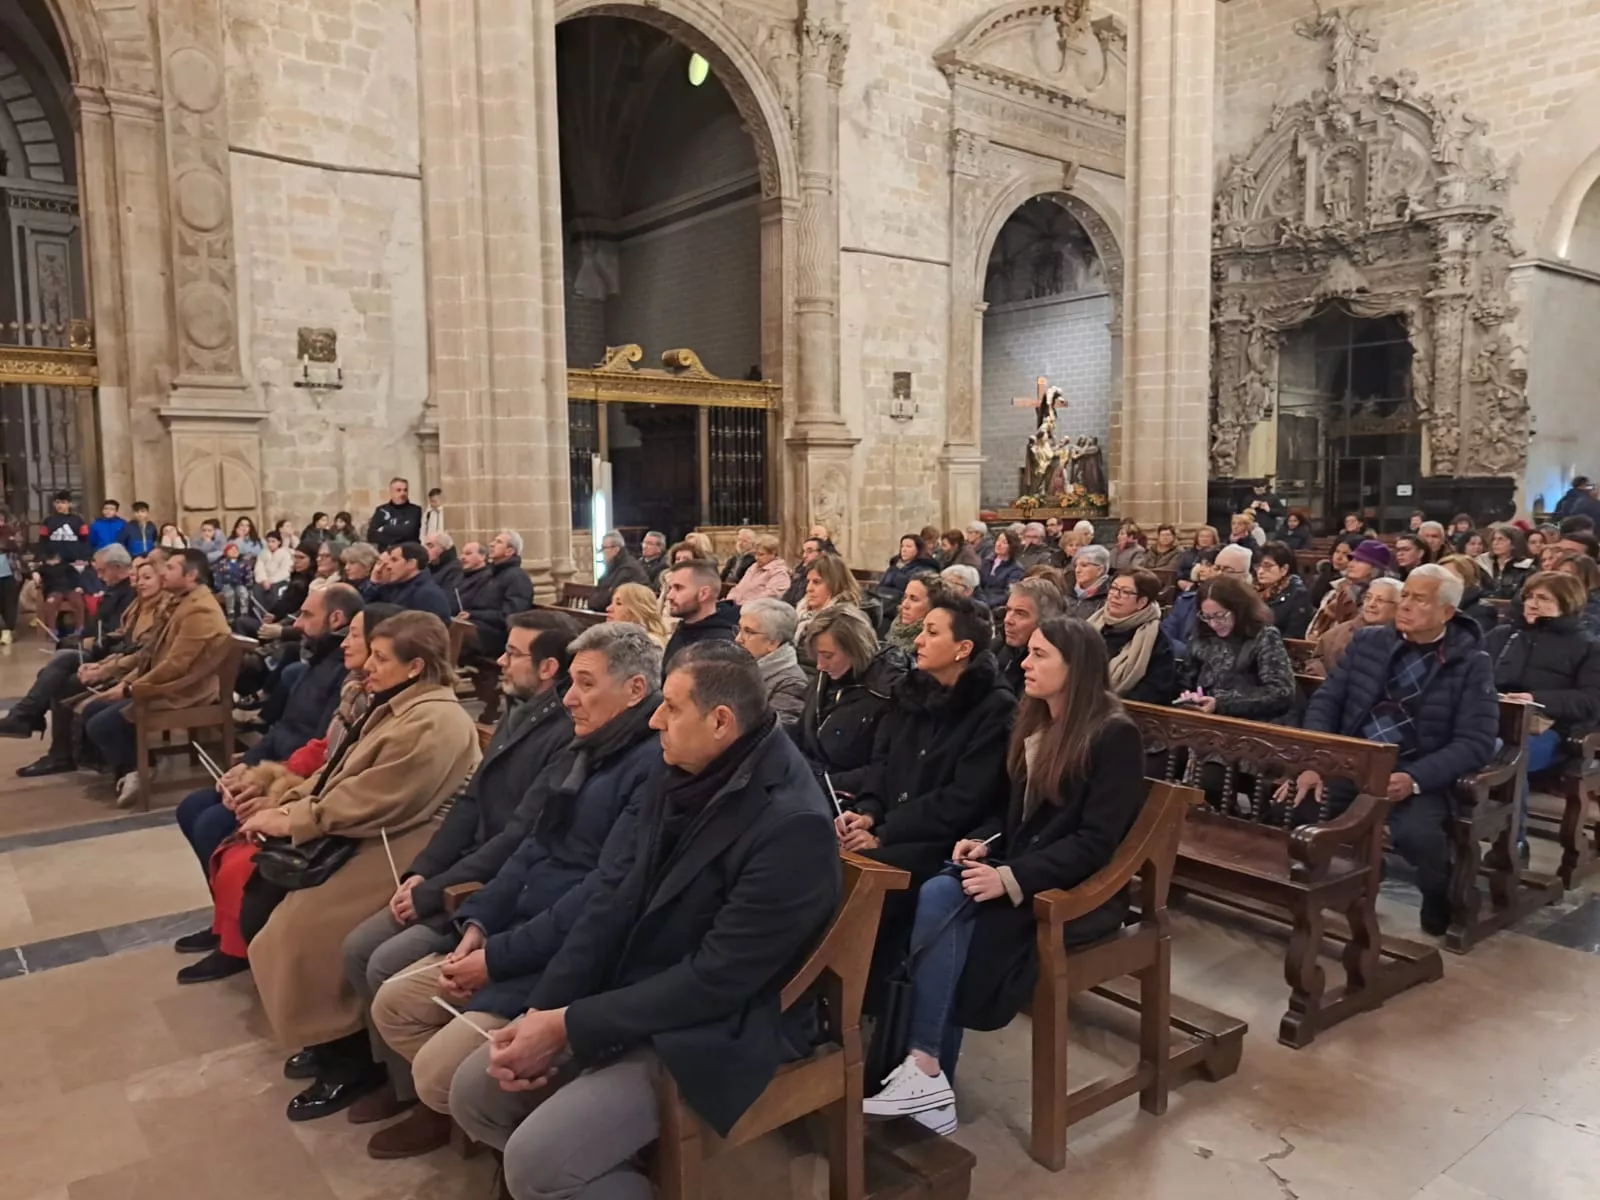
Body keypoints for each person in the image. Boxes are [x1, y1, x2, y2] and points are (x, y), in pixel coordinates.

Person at [446, 642, 840, 1200]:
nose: (655, 717)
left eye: (672, 707)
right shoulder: (680, 763)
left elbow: (716, 981)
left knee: (538, 1163)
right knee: (474, 1092)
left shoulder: (790, 823)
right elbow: (609, 894)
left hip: (712, 1026)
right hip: (634, 984)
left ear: (721, 721)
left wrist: (567, 1026)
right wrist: (545, 1010)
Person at [863, 617, 1144, 1134]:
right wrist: (985, 842)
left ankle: (926, 1076)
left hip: (1076, 893)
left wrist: (1011, 877)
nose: (1024, 664)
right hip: (1026, 868)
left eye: (1039, 656)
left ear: (1075, 667)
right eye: (1027, 654)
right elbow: (1010, 815)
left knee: (951, 920)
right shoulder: (1036, 722)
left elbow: (1094, 842)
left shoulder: (1114, 734)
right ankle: (926, 1072)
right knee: (937, 893)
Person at [335, 612, 592, 1149]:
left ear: (548, 667)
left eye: (514, 653)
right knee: (361, 947)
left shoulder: (568, 732)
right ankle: (401, 1084)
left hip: (488, 884)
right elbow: (471, 802)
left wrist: (439, 891)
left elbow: (523, 836)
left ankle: (429, 1104)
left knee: (379, 957)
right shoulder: (522, 712)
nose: (499, 659)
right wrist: (422, 871)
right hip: (475, 874)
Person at [1295, 565, 1499, 935]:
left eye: (1419, 600)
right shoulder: (1371, 641)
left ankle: (1440, 894)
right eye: (1404, 595)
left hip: (1415, 768)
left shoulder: (1470, 663)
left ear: (1446, 613)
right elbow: (1327, 701)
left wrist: (1415, 778)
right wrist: (1317, 759)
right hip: (1355, 761)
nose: (1404, 605)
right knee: (1300, 807)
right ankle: (1338, 888)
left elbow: (1476, 741)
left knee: (1417, 836)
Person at [170, 587, 371, 932]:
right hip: (280, 767)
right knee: (191, 808)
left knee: (212, 823)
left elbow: (324, 752)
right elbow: (283, 727)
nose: (297, 623)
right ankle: (224, 917)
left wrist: (271, 793)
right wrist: (245, 765)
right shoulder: (319, 660)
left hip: (298, 785)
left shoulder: (346, 679)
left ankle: (236, 930)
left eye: (307, 615)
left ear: (335, 619)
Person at [833, 596, 1015, 899]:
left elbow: (964, 799)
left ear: (963, 648)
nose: (918, 640)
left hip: (941, 841)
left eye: (932, 633)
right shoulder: (911, 690)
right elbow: (883, 763)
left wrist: (884, 834)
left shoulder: (994, 707)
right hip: (890, 824)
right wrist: (867, 811)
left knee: (850, 876)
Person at [85, 549, 232, 807]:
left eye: (172, 568)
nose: (164, 572)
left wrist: (132, 689)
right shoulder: (180, 601)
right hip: (167, 681)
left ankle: (140, 770)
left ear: (191, 575)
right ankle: (131, 769)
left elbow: (175, 665)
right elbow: (152, 654)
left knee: (102, 723)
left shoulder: (200, 610)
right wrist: (125, 681)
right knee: (95, 709)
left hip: (188, 690)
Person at [2, 550, 165, 761]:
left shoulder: (153, 605)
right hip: (114, 658)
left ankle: (56, 747)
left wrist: (104, 663)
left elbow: (142, 651)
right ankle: (32, 724)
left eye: (144, 575)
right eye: (136, 573)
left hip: (127, 667)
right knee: (58, 666)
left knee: (63, 679)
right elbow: (121, 633)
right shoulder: (137, 601)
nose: (136, 578)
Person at [1488, 571, 1600, 841]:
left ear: (1566, 603)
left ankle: (1513, 845)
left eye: (1543, 598)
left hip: (1550, 732)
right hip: (1493, 719)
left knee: (1509, 756)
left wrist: (1535, 697)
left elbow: (1591, 701)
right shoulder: (1503, 635)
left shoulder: (1588, 647)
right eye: (1529, 597)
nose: (1532, 603)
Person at [795, 604, 906, 780]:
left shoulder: (887, 693)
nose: (820, 665)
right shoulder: (829, 676)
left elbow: (882, 769)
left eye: (828, 656)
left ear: (856, 650)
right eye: (818, 655)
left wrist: (820, 785)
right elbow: (802, 734)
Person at [1176, 574, 1295, 722]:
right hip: (1202, 723)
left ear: (1238, 609)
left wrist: (1221, 704)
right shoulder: (1202, 636)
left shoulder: (1264, 636)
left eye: (1220, 616)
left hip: (1250, 726)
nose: (1213, 624)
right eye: (1206, 616)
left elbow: (1280, 693)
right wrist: (1189, 697)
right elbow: (1185, 681)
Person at [1088, 569, 1179, 704]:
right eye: (1113, 588)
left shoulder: (1156, 639)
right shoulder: (1092, 624)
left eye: (1125, 592)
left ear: (1141, 602)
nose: (1114, 596)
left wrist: (1108, 705)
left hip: (1125, 712)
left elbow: (1156, 689)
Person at [458, 530, 533, 660]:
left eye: (498, 542)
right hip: (480, 626)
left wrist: (473, 614)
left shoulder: (517, 578)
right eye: (493, 541)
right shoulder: (491, 573)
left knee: (457, 633)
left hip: (498, 635)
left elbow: (510, 616)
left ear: (510, 551)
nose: (491, 544)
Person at [735, 597, 808, 726]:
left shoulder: (791, 684)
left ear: (773, 642)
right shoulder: (735, 664)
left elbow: (777, 732)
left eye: (748, 632)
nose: (738, 639)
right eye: (739, 629)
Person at [1312, 576, 1401, 677]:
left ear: (1398, 607)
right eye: (1368, 598)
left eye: (1380, 600)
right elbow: (1315, 661)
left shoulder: (1404, 638)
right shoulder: (1338, 633)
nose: (1371, 604)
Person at [660, 558, 739, 668]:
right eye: (670, 588)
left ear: (704, 593)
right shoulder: (684, 630)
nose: (669, 596)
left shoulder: (720, 647)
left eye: (678, 588)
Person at [1307, 538, 1391, 640]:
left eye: (1359, 561)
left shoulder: (1382, 601)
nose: (1350, 564)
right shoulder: (1334, 593)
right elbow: (1312, 631)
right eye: (1352, 559)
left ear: (1375, 569)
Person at [996, 576, 1066, 695]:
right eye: (1008, 610)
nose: (1008, 620)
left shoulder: (1050, 667)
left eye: (1020, 614)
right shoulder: (999, 644)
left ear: (1045, 620)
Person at [374, 543, 453, 621]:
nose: (388, 566)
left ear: (411, 564)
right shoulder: (394, 586)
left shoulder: (427, 594)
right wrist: (374, 581)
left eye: (394, 560)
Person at [1257, 541, 1312, 639]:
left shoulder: (1298, 594)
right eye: (1258, 566)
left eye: (1267, 566)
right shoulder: (1253, 590)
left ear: (1284, 569)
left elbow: (1294, 635)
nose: (1260, 571)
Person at [878, 534, 941, 619]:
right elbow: (881, 586)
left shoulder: (925, 570)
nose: (904, 549)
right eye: (902, 546)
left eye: (909, 546)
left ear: (918, 550)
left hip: (902, 610)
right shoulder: (894, 566)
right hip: (883, 607)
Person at [590, 530, 650, 612]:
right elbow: (600, 590)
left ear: (616, 549)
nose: (602, 553)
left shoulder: (628, 569)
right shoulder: (614, 567)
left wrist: (593, 602)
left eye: (604, 548)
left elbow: (608, 599)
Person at [1436, 554, 1497, 633]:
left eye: (1450, 576)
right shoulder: (1432, 605)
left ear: (1468, 580)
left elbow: (1470, 641)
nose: (1443, 581)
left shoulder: (1483, 610)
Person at [888, 572, 945, 655]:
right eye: (905, 597)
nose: (905, 604)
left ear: (933, 606)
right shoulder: (893, 629)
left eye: (914, 599)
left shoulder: (933, 647)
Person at [33, 547, 86, 637]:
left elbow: (77, 577)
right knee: (51, 603)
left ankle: (80, 628)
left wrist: (79, 586)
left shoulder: (67, 566)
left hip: (69, 589)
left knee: (78, 601)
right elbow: (35, 573)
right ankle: (52, 630)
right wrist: (35, 574)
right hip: (53, 590)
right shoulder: (43, 568)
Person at [727, 533, 791, 605]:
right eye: (755, 554)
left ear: (773, 554)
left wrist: (743, 605)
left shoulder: (780, 572)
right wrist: (729, 600)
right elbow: (739, 588)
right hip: (739, 607)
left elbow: (769, 596)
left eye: (761, 554)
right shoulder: (753, 567)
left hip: (757, 611)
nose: (756, 558)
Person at [1477, 523, 1535, 600]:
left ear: (1513, 544)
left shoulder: (1526, 568)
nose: (1495, 543)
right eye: (1494, 539)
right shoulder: (1482, 564)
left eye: (1500, 539)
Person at [605, 581, 672, 648]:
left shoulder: (649, 643)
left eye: (619, 603)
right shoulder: (613, 638)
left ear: (637, 611)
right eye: (612, 602)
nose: (608, 609)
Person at [368, 477, 424, 549]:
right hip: (385, 553)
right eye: (399, 490)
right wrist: (398, 534)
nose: (403, 493)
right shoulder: (381, 510)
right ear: (391, 492)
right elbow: (371, 535)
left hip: (408, 552)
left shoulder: (415, 510)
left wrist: (384, 528)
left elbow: (409, 532)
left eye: (405, 490)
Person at [974, 530, 1024, 609]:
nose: (999, 544)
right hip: (980, 601)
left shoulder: (1016, 568)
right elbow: (978, 584)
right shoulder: (987, 561)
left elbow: (1009, 593)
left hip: (996, 606)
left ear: (1012, 546)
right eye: (998, 540)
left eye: (1004, 542)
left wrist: (986, 603)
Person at [39, 489, 89, 564]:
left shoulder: (78, 521)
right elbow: (43, 541)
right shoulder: (48, 521)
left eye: (63, 502)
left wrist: (84, 558)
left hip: (74, 560)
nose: (60, 505)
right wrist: (43, 557)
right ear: (54, 504)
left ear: (69, 504)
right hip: (54, 561)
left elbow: (84, 541)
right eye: (57, 502)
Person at [1063, 543, 1112, 619]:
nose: (1077, 570)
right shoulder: (1065, 588)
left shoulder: (1110, 596)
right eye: (1076, 566)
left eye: (1084, 565)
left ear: (1100, 570)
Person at [212, 540, 254, 623]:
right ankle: (230, 613)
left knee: (244, 594)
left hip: (239, 584)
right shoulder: (222, 563)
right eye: (232, 550)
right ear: (226, 552)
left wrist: (249, 585)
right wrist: (218, 587)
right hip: (226, 584)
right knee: (229, 594)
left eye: (236, 550)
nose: (234, 552)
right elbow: (218, 576)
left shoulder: (244, 563)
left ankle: (244, 613)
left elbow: (248, 575)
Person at [781, 536, 828, 607]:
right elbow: (787, 598)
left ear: (822, 553)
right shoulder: (799, 573)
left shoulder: (827, 574)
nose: (804, 555)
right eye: (803, 552)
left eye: (810, 551)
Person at [0, 505, 20, 646]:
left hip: (9, 573)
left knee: (9, 604)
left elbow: (17, 546)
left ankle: (8, 630)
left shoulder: (11, 531)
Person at [425, 532, 464, 601]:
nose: (425, 550)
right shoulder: (428, 567)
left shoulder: (455, 569)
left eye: (430, 546)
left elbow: (447, 597)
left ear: (443, 548)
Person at [256, 530, 295, 595]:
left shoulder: (285, 554)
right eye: (268, 541)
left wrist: (271, 580)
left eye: (273, 541)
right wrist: (263, 580)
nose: (270, 544)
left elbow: (285, 571)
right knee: (257, 590)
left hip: (280, 580)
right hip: (264, 581)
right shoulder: (262, 554)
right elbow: (259, 569)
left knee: (275, 591)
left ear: (279, 542)